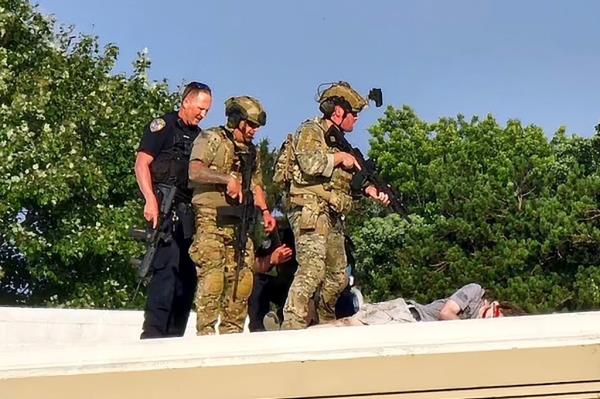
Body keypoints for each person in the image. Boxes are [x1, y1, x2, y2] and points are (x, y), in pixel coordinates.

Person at [280, 81, 389, 330]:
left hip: (332, 213)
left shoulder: (340, 142)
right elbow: (310, 164)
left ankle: (324, 322)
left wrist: (371, 190)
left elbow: (346, 182)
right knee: (312, 269)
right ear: (338, 112)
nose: (356, 121)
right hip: (310, 208)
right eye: (354, 115)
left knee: (339, 277)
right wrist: (340, 158)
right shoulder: (312, 130)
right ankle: (291, 326)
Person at [188, 96, 276, 335]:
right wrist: (226, 179)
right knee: (213, 280)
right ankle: (205, 335)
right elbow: (194, 171)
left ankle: (232, 337)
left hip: (240, 222)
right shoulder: (212, 138)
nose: (254, 131)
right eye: (251, 125)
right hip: (211, 219)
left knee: (242, 281)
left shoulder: (252, 152)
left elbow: (256, 185)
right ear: (237, 120)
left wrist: (265, 212)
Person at [134, 82, 213, 339]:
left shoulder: (202, 139)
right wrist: (149, 199)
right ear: (186, 102)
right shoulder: (163, 127)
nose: (203, 114)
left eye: (207, 110)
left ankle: (174, 337)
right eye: (200, 108)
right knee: (166, 273)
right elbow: (142, 163)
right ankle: (153, 336)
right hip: (165, 210)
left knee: (188, 278)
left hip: (190, 215)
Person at [325, 283, 518, 327]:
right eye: (494, 315)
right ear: (495, 305)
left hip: (410, 328)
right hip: (405, 316)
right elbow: (446, 313)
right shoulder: (475, 291)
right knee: (344, 328)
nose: (489, 320)